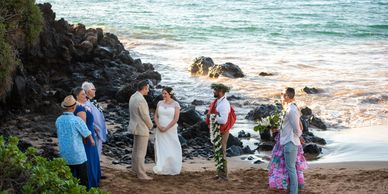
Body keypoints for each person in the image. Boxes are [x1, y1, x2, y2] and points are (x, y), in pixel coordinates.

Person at [270, 87, 305, 194]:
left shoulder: (291, 110)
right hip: (288, 142)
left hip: (291, 143)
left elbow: (297, 129)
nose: (281, 96)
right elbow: (289, 126)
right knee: (290, 168)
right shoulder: (289, 108)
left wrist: (299, 137)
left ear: (287, 96)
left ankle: (293, 192)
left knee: (291, 169)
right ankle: (292, 190)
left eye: (283, 94)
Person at [55, 95, 95, 187]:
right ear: (74, 107)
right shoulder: (77, 120)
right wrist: (92, 141)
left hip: (64, 154)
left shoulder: (58, 120)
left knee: (66, 181)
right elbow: (86, 132)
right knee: (82, 182)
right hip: (78, 155)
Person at [72, 87, 101, 188]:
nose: (85, 96)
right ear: (76, 97)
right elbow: (82, 126)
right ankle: (90, 182)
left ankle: (93, 180)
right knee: (88, 158)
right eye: (82, 95)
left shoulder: (80, 106)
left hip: (90, 133)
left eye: (85, 94)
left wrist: (93, 127)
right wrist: (89, 138)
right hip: (87, 138)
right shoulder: (79, 108)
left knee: (92, 157)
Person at [206, 83, 232, 180]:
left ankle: (224, 176)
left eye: (215, 90)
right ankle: (219, 174)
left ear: (221, 92)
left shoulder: (224, 104)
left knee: (222, 151)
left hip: (223, 131)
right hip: (218, 130)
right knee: (217, 151)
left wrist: (211, 116)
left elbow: (223, 120)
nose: (214, 92)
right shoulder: (218, 102)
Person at [153, 87, 182, 175]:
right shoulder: (159, 103)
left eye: (165, 93)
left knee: (172, 146)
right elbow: (155, 116)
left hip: (170, 129)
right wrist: (159, 126)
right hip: (160, 129)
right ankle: (162, 166)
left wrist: (166, 128)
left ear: (170, 94)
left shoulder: (176, 104)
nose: (163, 95)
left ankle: (173, 167)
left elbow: (176, 119)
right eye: (163, 93)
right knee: (161, 147)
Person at [128, 80, 153, 180]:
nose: (148, 90)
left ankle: (134, 169)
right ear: (144, 88)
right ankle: (141, 174)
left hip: (134, 125)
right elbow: (145, 115)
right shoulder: (141, 100)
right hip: (141, 127)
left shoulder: (133, 96)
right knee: (141, 152)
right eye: (148, 88)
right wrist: (150, 125)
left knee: (135, 149)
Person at [82, 81, 107, 158]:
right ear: (88, 91)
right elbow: (86, 118)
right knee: (94, 154)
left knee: (98, 153)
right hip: (94, 132)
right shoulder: (86, 104)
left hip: (99, 131)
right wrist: (93, 127)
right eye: (93, 89)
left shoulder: (92, 102)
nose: (95, 91)